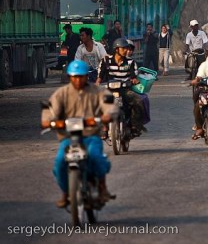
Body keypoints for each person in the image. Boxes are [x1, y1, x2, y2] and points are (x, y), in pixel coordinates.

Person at [42, 60, 116, 208]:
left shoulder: (98, 91)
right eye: (74, 76)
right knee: (59, 164)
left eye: (81, 76)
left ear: (86, 77)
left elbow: (110, 105)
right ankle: (66, 192)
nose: (78, 80)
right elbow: (48, 112)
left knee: (95, 156)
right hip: (68, 138)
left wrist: (108, 114)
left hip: (91, 136)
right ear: (70, 77)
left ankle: (102, 187)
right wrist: (49, 121)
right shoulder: (60, 94)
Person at [96, 38, 146, 134]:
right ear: (117, 49)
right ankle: (103, 126)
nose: (126, 51)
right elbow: (100, 77)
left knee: (138, 101)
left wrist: (134, 80)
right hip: (109, 90)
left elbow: (133, 76)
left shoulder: (131, 62)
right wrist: (97, 83)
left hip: (124, 89)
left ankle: (134, 125)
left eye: (127, 49)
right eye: (123, 49)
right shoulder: (106, 61)